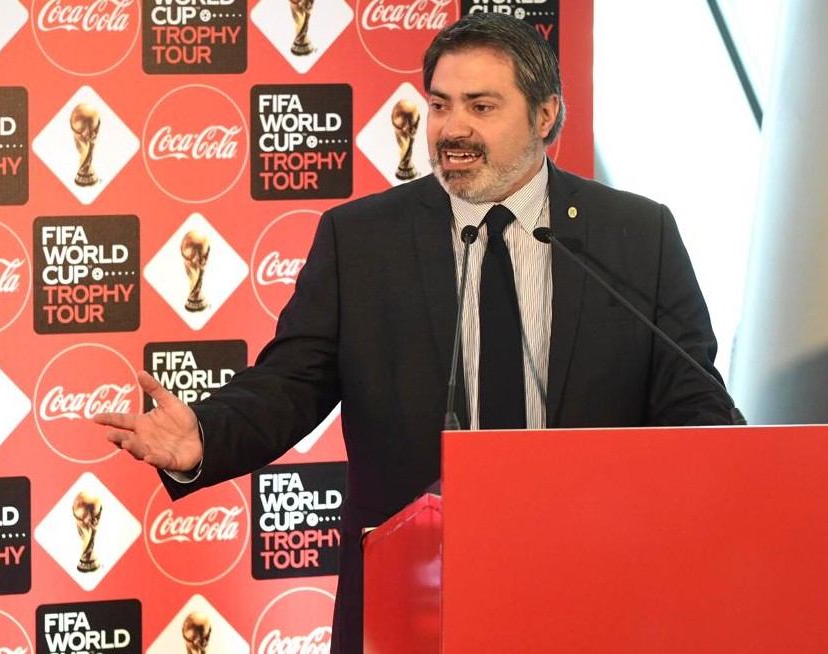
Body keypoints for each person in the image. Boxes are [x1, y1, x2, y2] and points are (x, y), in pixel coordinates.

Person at [94, 13, 735, 654]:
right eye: (439, 105)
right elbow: (290, 382)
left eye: (481, 106)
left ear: (544, 117)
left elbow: (697, 407)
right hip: (417, 600)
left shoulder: (637, 236)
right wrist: (205, 435)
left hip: (593, 593)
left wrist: (740, 488)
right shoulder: (362, 240)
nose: (453, 129)